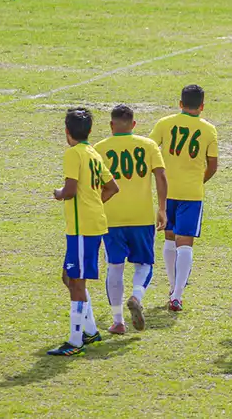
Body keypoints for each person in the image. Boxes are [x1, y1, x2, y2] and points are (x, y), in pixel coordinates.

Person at [47, 108, 120, 357]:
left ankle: (75, 341)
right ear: (89, 131)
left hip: (82, 227)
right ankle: (90, 330)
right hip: (90, 224)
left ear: (66, 131)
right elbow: (112, 187)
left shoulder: (74, 153)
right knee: (69, 278)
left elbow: (69, 190)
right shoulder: (93, 153)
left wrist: (58, 193)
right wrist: (95, 203)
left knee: (76, 281)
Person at [94, 105, 167, 334]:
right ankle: (136, 295)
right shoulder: (148, 145)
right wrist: (162, 208)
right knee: (144, 264)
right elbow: (161, 176)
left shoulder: (99, 149)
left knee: (114, 266)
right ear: (134, 124)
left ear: (111, 125)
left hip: (112, 217)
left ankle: (118, 321)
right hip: (141, 216)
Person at [148, 84, 218, 312]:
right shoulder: (208, 130)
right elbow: (213, 165)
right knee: (185, 242)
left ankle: (172, 287)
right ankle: (177, 295)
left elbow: (150, 149)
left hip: (167, 191)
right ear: (202, 106)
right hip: (191, 194)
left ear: (180, 103)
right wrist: (198, 181)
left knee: (169, 238)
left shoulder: (164, 123)